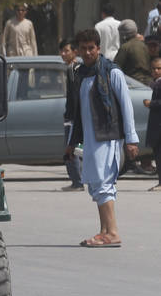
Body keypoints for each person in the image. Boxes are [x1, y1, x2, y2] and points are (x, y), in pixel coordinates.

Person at [65, 28, 139, 248]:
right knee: (96, 184)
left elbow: (126, 107)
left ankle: (113, 233)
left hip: (108, 136)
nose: (87, 52)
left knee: (104, 183)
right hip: (90, 138)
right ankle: (104, 231)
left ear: (98, 48)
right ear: (78, 50)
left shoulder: (111, 72)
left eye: (91, 48)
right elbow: (77, 115)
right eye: (83, 48)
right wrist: (71, 143)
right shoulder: (80, 74)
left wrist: (132, 140)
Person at [60, 39, 84, 191]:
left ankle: (77, 182)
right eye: (61, 51)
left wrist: (71, 115)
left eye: (66, 51)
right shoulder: (75, 67)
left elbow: (75, 95)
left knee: (71, 149)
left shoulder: (73, 68)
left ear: (75, 52)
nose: (63, 54)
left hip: (73, 116)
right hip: (74, 115)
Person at [114, 19, 152, 86]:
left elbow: (116, 68)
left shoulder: (125, 47)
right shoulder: (144, 45)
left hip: (133, 83)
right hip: (148, 83)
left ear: (123, 34)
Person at [145, 56, 161, 190]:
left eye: (159, 68)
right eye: (154, 68)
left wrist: (151, 104)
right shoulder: (155, 83)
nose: (156, 71)